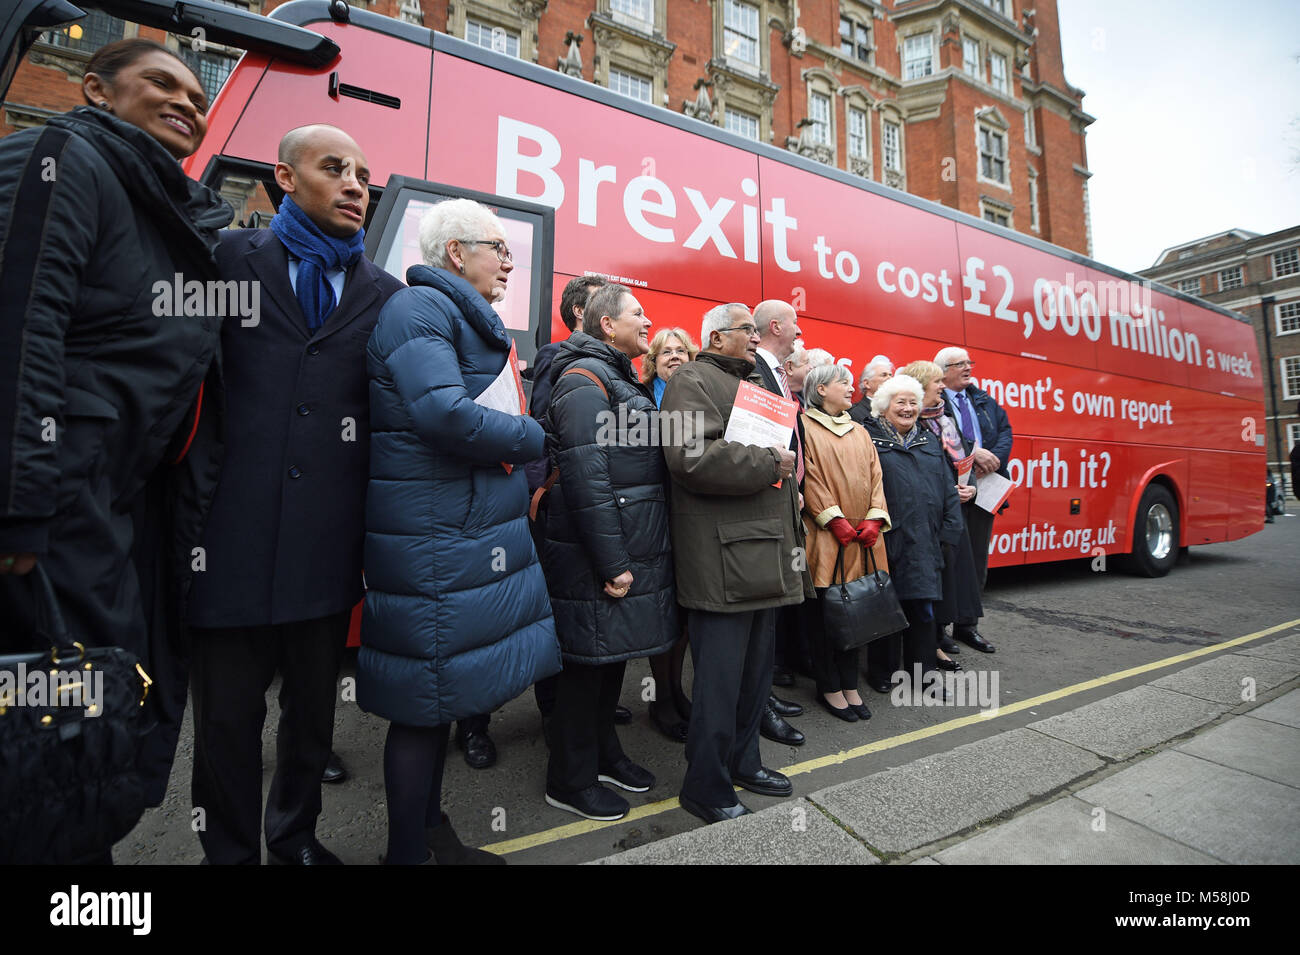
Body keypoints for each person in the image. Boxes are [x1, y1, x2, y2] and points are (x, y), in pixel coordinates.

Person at [0, 39, 232, 857]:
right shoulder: (59, 156)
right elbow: (18, 323)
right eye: (161, 84)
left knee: (79, 739)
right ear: (95, 89)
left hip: (111, 514)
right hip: (50, 519)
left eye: (197, 96)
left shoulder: (166, 205)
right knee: (41, 744)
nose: (187, 103)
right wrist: (18, 510)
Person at [184, 125, 404, 865]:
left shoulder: (386, 295)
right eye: (334, 167)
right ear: (284, 177)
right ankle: (228, 853)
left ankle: (296, 837)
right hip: (227, 543)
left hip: (326, 548)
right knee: (224, 724)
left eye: (364, 173)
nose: (355, 184)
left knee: (311, 716)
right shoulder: (225, 260)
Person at [359, 198, 562, 864]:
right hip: (432, 538)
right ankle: (405, 855)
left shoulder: (455, 315)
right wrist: (535, 435)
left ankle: (432, 835)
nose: (509, 261)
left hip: (454, 533)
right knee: (422, 706)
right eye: (498, 248)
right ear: (455, 253)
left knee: (439, 696)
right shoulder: (419, 309)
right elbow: (443, 413)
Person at [661, 303, 811, 823]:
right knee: (720, 686)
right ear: (717, 336)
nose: (755, 338)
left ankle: (744, 764)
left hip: (762, 555)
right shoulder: (690, 380)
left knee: (752, 682)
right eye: (746, 330)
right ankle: (705, 786)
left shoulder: (749, 384)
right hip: (723, 562)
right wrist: (773, 463)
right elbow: (690, 458)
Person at [538, 283, 678, 820]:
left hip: (621, 546)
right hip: (595, 552)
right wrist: (612, 563)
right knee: (583, 669)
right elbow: (586, 477)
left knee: (608, 659)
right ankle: (569, 780)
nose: (649, 322)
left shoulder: (616, 375)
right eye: (638, 314)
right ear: (605, 325)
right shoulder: (583, 380)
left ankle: (604, 754)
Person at [799, 363, 890, 721]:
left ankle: (849, 683)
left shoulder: (860, 430)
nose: (851, 389)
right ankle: (829, 686)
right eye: (843, 383)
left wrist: (874, 517)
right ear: (821, 389)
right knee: (826, 616)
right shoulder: (804, 426)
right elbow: (809, 477)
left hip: (863, 539)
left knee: (857, 615)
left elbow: (876, 477)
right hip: (826, 538)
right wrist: (833, 519)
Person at [862, 375, 963, 698]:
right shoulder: (868, 438)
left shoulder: (929, 441)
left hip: (925, 542)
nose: (908, 408)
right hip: (886, 539)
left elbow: (949, 490)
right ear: (884, 406)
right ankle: (882, 671)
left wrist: (950, 530)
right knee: (885, 610)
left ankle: (924, 676)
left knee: (922, 612)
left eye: (913, 402)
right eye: (900, 402)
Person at [899, 360, 985, 671]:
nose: (942, 386)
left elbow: (966, 458)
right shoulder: (911, 423)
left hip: (954, 510)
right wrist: (950, 490)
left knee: (950, 579)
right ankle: (930, 644)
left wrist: (970, 487)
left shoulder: (946, 420)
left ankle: (940, 636)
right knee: (929, 583)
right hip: (929, 516)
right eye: (937, 381)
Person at [751, 300, 810, 741]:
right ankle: (759, 704)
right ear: (776, 326)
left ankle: (764, 696)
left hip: (784, 501)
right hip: (764, 507)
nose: (799, 330)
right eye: (794, 322)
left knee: (771, 611)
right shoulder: (756, 369)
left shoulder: (777, 373)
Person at [641, 327, 700, 743]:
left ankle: (675, 690)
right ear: (653, 360)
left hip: (691, 517)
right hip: (654, 517)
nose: (675, 357)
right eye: (666, 351)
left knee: (681, 613)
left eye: (682, 351)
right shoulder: (641, 397)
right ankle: (660, 700)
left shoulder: (699, 398)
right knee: (659, 612)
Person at [936, 346, 1012, 653]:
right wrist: (971, 453)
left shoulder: (982, 399)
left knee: (977, 559)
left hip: (985, 487)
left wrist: (992, 458)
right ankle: (940, 629)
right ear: (943, 371)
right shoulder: (936, 402)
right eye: (960, 364)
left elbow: (1005, 431)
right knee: (949, 560)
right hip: (952, 488)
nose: (968, 368)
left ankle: (968, 625)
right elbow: (942, 439)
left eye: (970, 362)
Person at [849, 355, 893, 424]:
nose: (890, 379)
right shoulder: (854, 413)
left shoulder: (895, 410)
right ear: (867, 383)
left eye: (890, 375)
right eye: (884, 375)